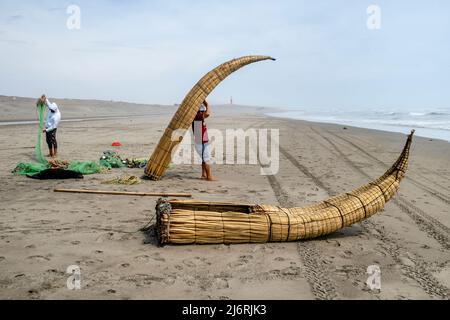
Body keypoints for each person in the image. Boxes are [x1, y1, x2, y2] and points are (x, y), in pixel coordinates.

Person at [192, 100, 216, 181]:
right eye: (202, 111)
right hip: (201, 141)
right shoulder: (197, 116)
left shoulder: (197, 117)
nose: (203, 112)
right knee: (206, 159)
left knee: (204, 159)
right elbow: (208, 113)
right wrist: (207, 104)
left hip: (202, 141)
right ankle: (209, 177)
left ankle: (203, 174)